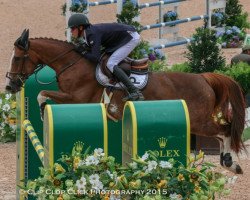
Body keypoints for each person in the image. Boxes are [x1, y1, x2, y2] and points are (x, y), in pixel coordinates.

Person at [67, 13, 144, 101]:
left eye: (72, 28)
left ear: (80, 28)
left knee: (111, 64)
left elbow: (95, 58)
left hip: (130, 38)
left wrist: (83, 52)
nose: (71, 31)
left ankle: (135, 91)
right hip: (122, 38)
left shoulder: (91, 34)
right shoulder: (88, 33)